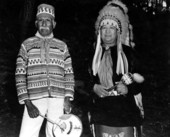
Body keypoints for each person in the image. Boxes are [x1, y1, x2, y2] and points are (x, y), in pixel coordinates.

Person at [15, 3, 75, 137]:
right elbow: (19, 75)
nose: (44, 23)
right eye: (40, 20)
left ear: (54, 24)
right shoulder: (26, 45)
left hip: (58, 98)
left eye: (47, 20)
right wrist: (27, 102)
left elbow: (69, 74)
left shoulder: (62, 46)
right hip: (34, 99)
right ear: (36, 23)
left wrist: (67, 98)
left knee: (57, 134)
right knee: (27, 134)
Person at [89, 0, 144, 137]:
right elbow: (84, 80)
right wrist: (93, 87)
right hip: (101, 112)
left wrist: (128, 89)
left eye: (111, 27)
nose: (107, 32)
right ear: (99, 31)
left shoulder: (129, 53)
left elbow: (141, 79)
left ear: (118, 31)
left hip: (125, 112)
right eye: (104, 28)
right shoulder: (93, 55)